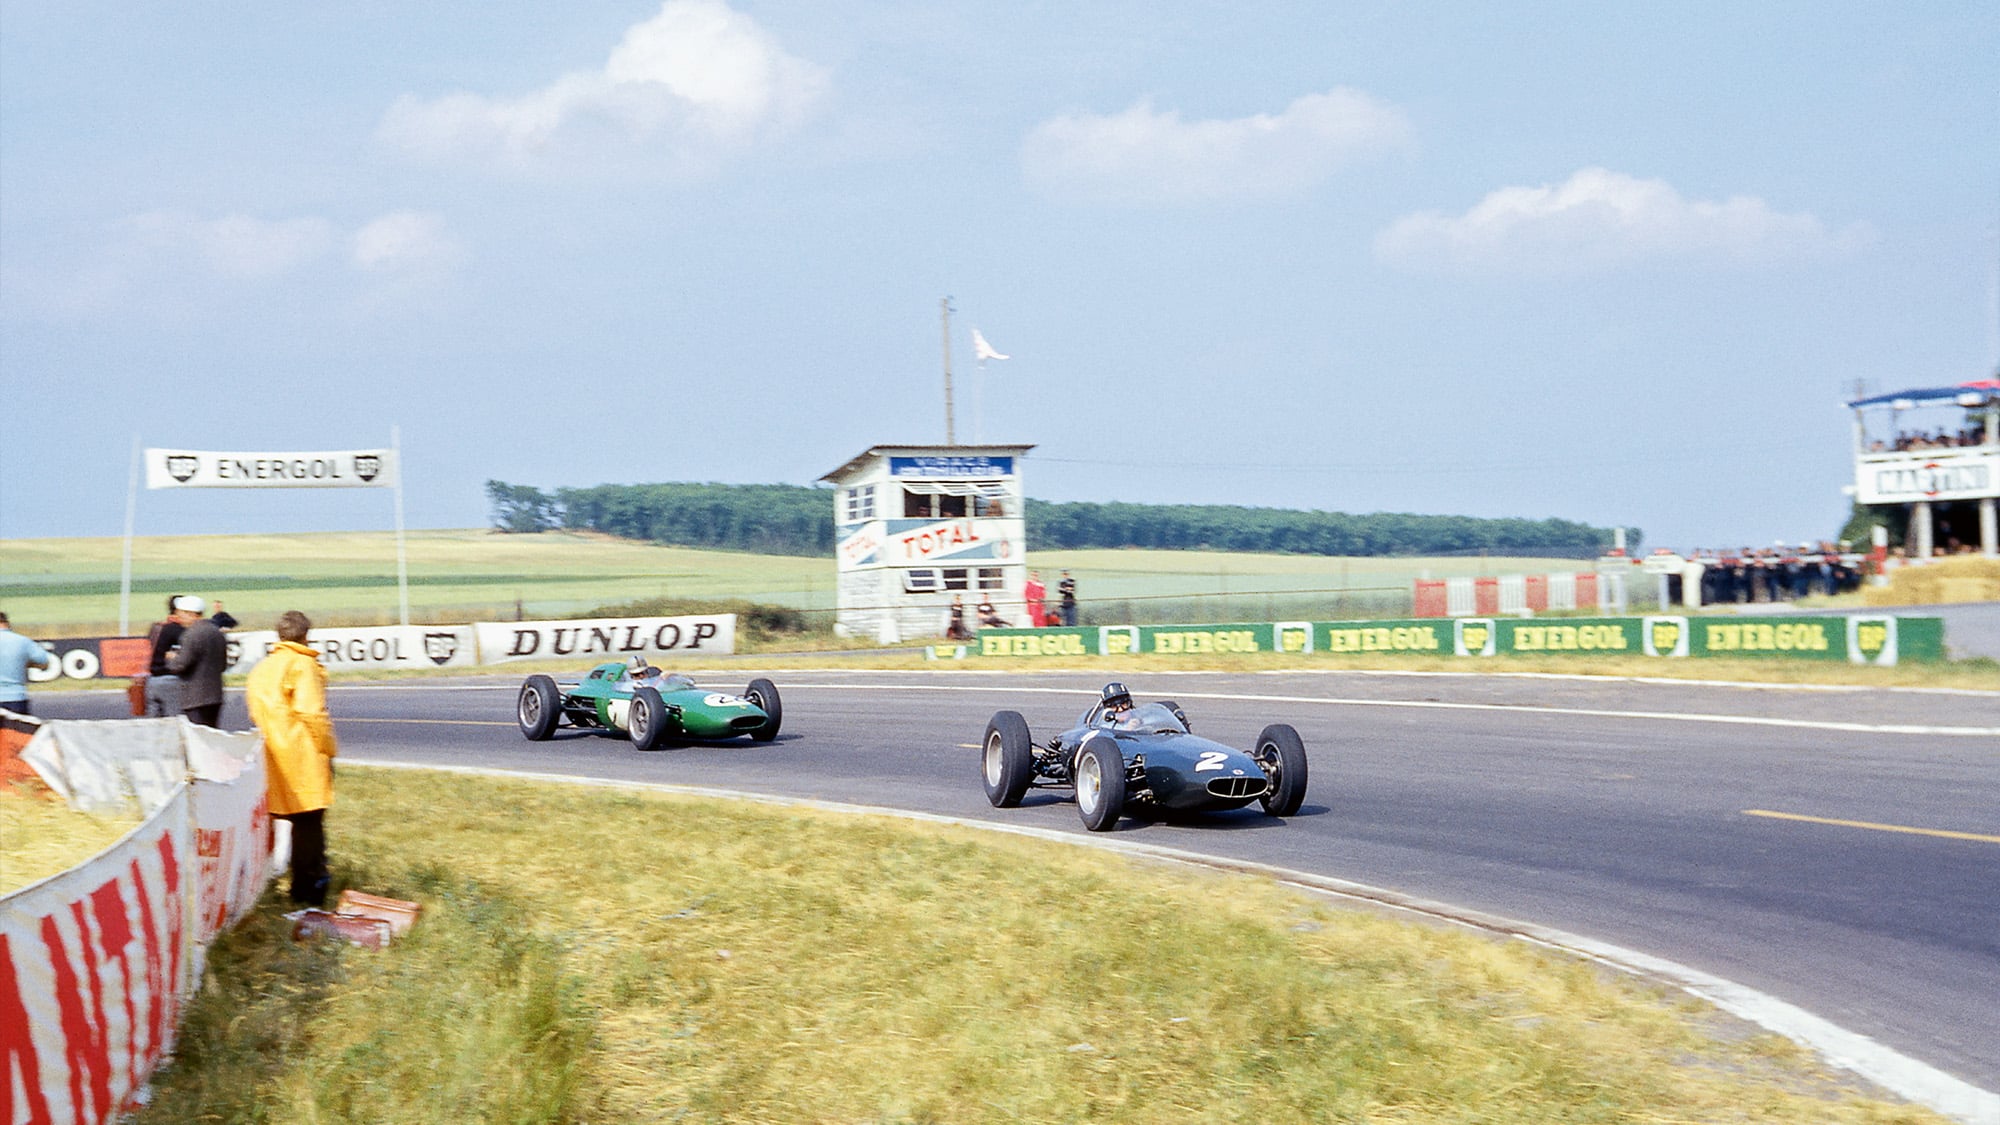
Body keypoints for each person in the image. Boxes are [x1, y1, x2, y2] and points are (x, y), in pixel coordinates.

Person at [246, 611, 338, 908]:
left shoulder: (263, 667)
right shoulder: (303, 664)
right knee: (309, 824)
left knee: (278, 820)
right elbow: (311, 712)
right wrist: (328, 746)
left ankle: (269, 883)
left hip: (271, 752)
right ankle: (308, 890)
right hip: (301, 753)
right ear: (305, 635)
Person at [165, 595, 229, 727]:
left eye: (180, 613)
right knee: (212, 734)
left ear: (191, 614)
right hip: (215, 696)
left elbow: (180, 665)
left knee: (197, 738)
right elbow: (223, 665)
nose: (178, 617)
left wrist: (171, 659)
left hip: (195, 698)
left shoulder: (191, 634)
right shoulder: (216, 632)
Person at [0, 612, 54, 715]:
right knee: (16, 731)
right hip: (16, 698)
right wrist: (24, 664)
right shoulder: (23, 641)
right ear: (7, 623)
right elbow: (44, 663)